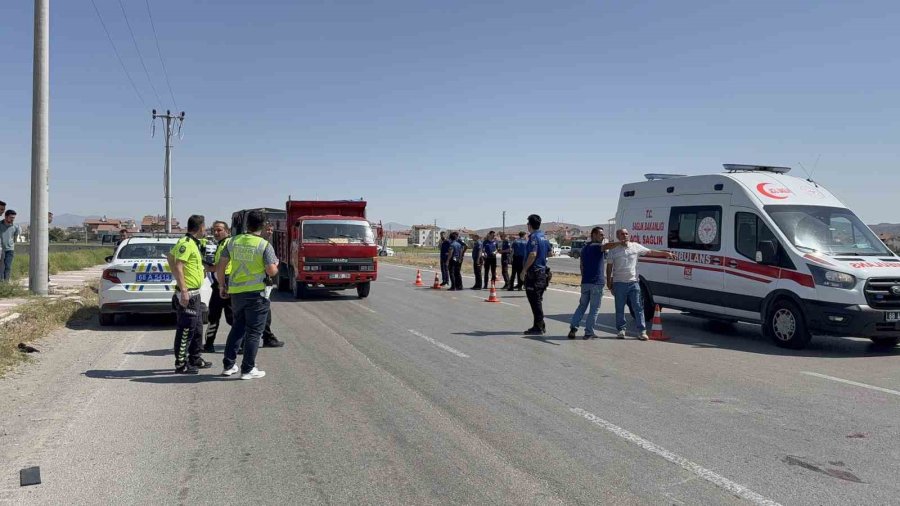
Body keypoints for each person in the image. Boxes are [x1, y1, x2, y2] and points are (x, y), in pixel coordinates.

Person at [218, 210, 279, 380]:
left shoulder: (232, 242)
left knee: (237, 328)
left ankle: (228, 366)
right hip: (256, 294)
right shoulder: (264, 245)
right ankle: (248, 369)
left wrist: (222, 286)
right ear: (264, 225)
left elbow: (221, 266)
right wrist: (276, 265)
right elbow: (271, 271)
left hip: (236, 293)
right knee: (253, 333)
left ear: (246, 224)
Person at [604, 228, 675, 340]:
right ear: (618, 236)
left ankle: (642, 331)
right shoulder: (614, 250)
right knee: (620, 308)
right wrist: (609, 282)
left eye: (627, 234)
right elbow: (609, 267)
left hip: (633, 283)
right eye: (622, 234)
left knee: (638, 307)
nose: (625, 235)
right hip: (619, 283)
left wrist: (665, 254)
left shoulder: (635, 246)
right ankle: (621, 330)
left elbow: (650, 252)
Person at [167, 215, 212, 374]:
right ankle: (181, 364)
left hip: (195, 294)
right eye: (204, 227)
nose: (205, 230)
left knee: (197, 328)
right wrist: (183, 289)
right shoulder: (186, 244)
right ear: (201, 228)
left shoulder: (193, 243)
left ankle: (195, 358)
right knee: (186, 329)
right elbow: (178, 265)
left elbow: (170, 257)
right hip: (189, 294)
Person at [568, 227, 606, 340]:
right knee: (594, 309)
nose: (603, 237)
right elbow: (607, 246)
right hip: (596, 283)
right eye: (600, 234)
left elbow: (581, 266)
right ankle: (589, 332)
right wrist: (622, 242)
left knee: (581, 307)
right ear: (593, 235)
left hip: (585, 282)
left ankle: (573, 328)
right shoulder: (598, 247)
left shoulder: (584, 248)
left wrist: (584, 279)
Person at [203, 221, 234, 353]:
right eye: (214, 230)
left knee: (231, 317)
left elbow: (221, 266)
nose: (216, 233)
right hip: (219, 283)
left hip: (226, 283)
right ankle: (209, 345)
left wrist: (207, 267)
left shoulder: (229, 244)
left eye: (219, 230)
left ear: (227, 231)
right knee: (213, 316)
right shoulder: (220, 244)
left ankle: (240, 343)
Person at [523, 215, 551, 335]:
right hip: (542, 272)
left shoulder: (534, 237)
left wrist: (524, 270)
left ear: (529, 225)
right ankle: (539, 324)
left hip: (534, 272)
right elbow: (550, 252)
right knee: (537, 299)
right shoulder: (544, 237)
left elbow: (532, 254)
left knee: (535, 300)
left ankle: (539, 326)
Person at [0, 210, 21, 282]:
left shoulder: (16, 227)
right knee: (1, 267)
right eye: (11, 217)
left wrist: (12, 244)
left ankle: (6, 282)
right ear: (6, 216)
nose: (12, 219)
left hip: (10, 249)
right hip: (1, 249)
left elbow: (15, 237)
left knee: (8, 266)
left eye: (14, 218)